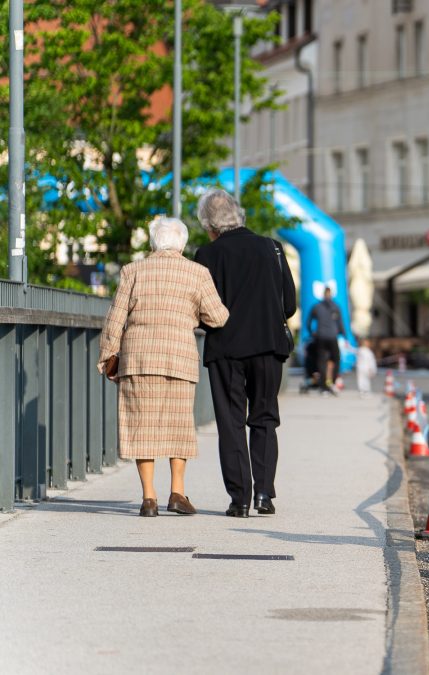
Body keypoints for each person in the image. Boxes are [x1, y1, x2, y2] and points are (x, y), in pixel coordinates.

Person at [98, 217, 229, 517]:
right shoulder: (197, 273)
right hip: (179, 360)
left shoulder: (133, 271)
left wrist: (107, 355)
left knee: (140, 427)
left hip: (139, 359)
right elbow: (218, 317)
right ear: (182, 243)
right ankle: (178, 493)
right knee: (179, 426)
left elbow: (115, 318)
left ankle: (148, 499)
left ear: (153, 242)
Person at [194, 189, 297, 518]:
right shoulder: (272, 248)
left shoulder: (207, 255)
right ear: (239, 216)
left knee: (231, 422)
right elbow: (290, 305)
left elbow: (202, 310)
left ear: (209, 224)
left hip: (225, 349)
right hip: (268, 347)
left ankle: (239, 499)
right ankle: (264, 494)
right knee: (265, 419)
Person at [306, 286, 346, 394]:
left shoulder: (317, 306)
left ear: (323, 294)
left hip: (321, 337)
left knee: (322, 361)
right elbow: (340, 324)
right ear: (331, 294)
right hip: (332, 337)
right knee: (336, 359)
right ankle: (332, 382)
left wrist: (312, 333)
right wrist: (345, 336)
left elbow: (308, 322)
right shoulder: (336, 306)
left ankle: (323, 387)